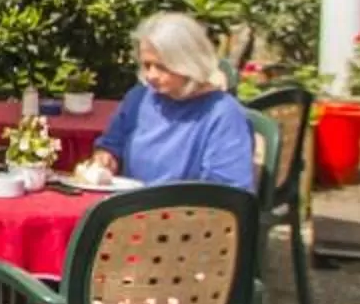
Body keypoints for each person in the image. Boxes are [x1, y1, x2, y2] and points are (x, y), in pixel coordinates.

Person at [84, 12, 259, 191]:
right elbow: (112, 144)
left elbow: (228, 192)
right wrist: (105, 157)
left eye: (161, 67)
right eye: (146, 65)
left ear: (188, 62)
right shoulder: (139, 99)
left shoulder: (222, 115)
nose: (151, 75)